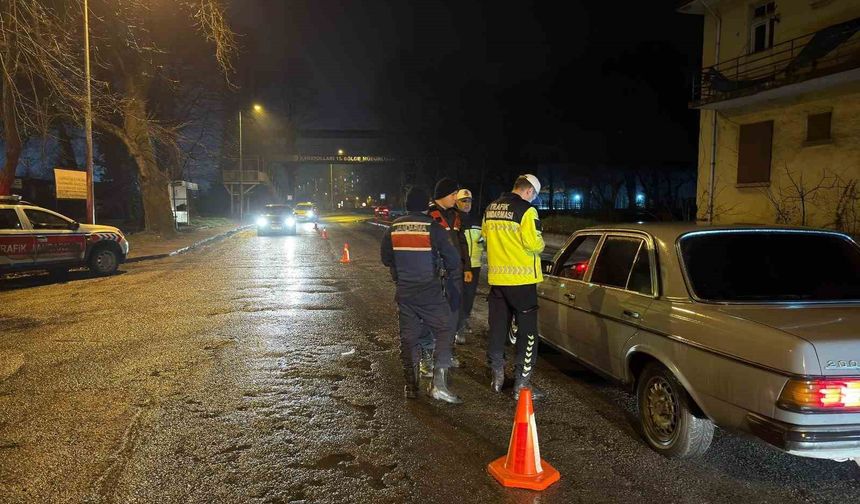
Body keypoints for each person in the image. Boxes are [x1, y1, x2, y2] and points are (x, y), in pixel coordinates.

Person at [380, 186, 464, 404]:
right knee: (446, 328)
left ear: (407, 205)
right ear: (426, 206)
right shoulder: (433, 228)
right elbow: (453, 260)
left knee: (409, 338)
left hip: (405, 293)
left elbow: (386, 259)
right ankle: (438, 385)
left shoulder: (393, 228)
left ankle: (411, 385)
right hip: (430, 292)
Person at [482, 174, 546, 400]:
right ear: (529, 191)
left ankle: (497, 378)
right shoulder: (527, 211)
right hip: (522, 282)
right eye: (534, 196)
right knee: (528, 333)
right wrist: (541, 242)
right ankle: (522, 385)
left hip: (497, 280)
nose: (533, 200)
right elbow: (534, 243)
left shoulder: (491, 208)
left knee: (498, 329)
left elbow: (485, 237)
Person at [416, 178, 470, 373]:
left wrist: (467, 267)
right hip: (433, 274)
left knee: (452, 315)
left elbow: (462, 243)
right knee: (429, 316)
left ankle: (446, 353)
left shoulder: (455, 216)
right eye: (453, 194)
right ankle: (426, 355)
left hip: (454, 274)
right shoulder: (428, 215)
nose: (456, 198)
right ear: (443, 195)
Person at [455, 188, 484, 342]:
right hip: (459, 265)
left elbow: (484, 239)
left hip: (475, 264)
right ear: (456, 202)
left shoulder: (477, 220)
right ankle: (458, 328)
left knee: (469, 296)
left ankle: (464, 320)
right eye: (463, 201)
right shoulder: (454, 219)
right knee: (459, 297)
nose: (467, 204)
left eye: (469, 201)